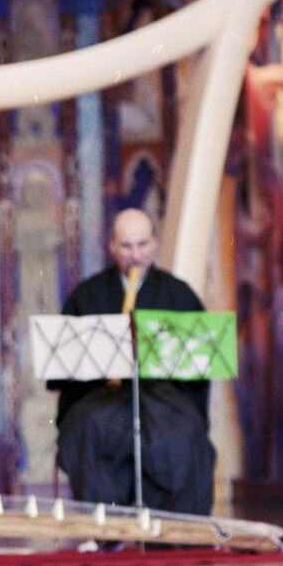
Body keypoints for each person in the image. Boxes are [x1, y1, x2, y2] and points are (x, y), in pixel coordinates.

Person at [50, 207, 215, 515]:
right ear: (112, 246)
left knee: (186, 433)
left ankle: (172, 528)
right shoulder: (88, 293)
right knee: (89, 428)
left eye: (143, 245)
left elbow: (201, 364)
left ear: (154, 243)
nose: (136, 255)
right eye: (126, 246)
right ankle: (107, 528)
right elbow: (62, 369)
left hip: (163, 399)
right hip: (105, 396)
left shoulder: (178, 293)